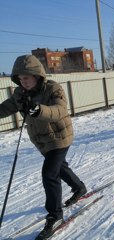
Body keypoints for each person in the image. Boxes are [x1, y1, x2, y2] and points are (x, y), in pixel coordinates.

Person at [0, 55, 87, 239]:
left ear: (36, 75)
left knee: (49, 173)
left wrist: (39, 110)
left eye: (26, 78)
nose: (23, 82)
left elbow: (60, 110)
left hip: (59, 137)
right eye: (20, 79)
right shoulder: (20, 94)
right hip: (41, 141)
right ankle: (79, 188)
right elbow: (6, 108)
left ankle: (55, 215)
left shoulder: (52, 88)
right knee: (60, 168)